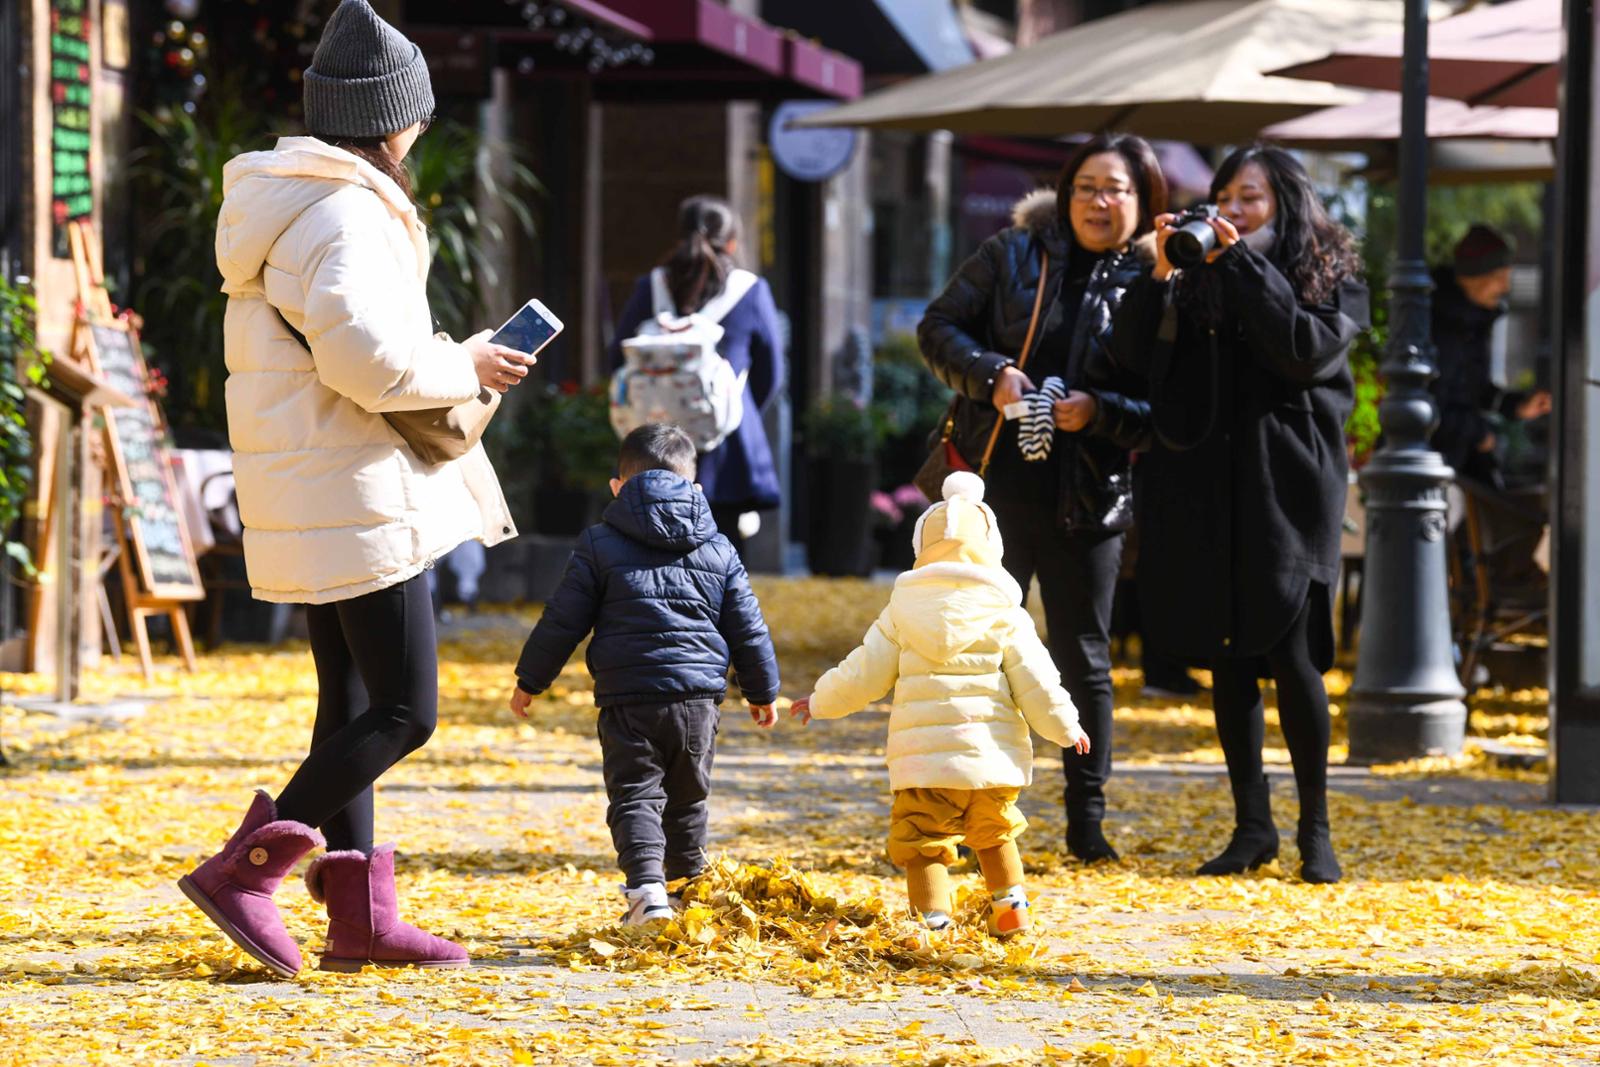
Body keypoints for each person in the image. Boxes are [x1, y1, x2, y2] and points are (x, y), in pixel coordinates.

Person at [181, 0, 531, 978]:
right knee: (406, 709)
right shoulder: (346, 212)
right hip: (355, 484)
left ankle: (360, 920)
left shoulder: (292, 203)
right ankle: (246, 871)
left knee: (347, 699)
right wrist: (467, 365)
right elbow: (367, 362)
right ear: (392, 117)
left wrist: (454, 359)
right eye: (417, 110)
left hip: (316, 481)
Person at [1111, 143, 1368, 885]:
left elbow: (1301, 351)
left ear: (1287, 203)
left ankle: (1315, 829)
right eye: (1224, 197)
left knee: (1292, 655)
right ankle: (1252, 826)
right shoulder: (1194, 274)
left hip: (1288, 485)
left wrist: (1242, 265)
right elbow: (1125, 358)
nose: (1233, 211)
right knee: (1226, 653)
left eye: (1249, 198)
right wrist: (1159, 273)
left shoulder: (1334, 277)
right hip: (1203, 482)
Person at [917, 133, 1163, 862]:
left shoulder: (1156, 280)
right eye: (1085, 186)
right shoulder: (1014, 251)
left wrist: (1100, 411)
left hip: (1089, 494)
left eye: (1115, 188)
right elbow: (937, 328)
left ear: (1143, 199)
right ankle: (969, 815)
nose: (1098, 201)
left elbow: (1166, 404)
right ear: (1065, 193)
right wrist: (990, 373)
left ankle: (1088, 822)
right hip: (993, 489)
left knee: (1083, 658)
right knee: (973, 652)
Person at [790, 472, 1090, 936]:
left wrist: (820, 701)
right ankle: (1011, 909)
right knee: (995, 831)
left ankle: (933, 921)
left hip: (923, 760)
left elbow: (863, 671)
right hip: (990, 756)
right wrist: (1065, 726)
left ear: (920, 547)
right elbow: (1038, 679)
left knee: (922, 839)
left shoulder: (902, 609)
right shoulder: (1005, 613)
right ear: (993, 547)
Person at [509, 424, 780, 926]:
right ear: (695, 488)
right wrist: (762, 690)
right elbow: (747, 624)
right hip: (697, 700)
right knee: (689, 798)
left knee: (635, 794)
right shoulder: (719, 547)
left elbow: (562, 619)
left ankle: (648, 892)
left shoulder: (598, 544)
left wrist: (531, 680)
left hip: (628, 696)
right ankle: (687, 892)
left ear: (618, 487)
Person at [608, 196, 784, 559]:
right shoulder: (750, 290)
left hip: (653, 447)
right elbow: (771, 373)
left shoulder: (652, 286)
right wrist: (735, 407)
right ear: (731, 243)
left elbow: (617, 357)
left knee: (650, 547)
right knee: (723, 552)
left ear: (679, 236)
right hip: (725, 448)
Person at [1430, 224, 1552, 487]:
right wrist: (1478, 432)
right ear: (1473, 277)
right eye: (1499, 277)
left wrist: (1517, 406)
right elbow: (1431, 405)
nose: (1505, 287)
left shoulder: (1473, 323)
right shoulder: (1443, 325)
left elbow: (1477, 392)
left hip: (1457, 461)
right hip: (1435, 465)